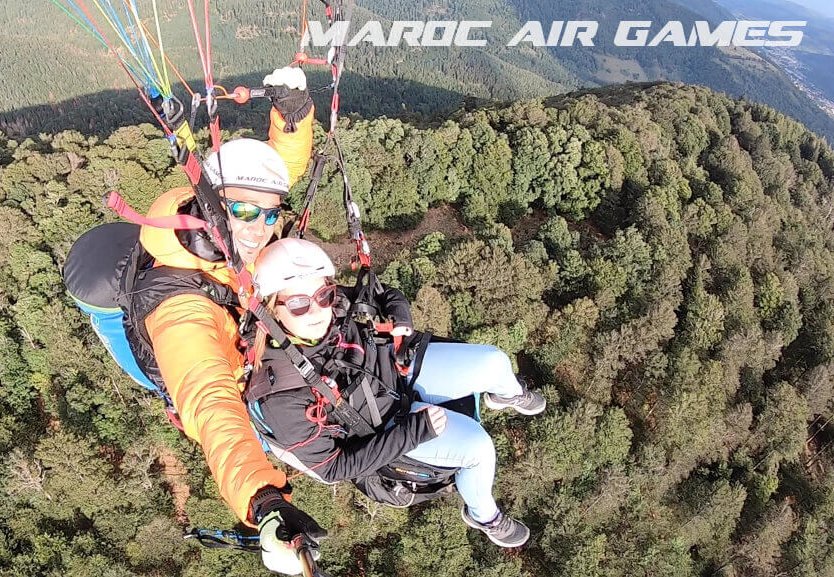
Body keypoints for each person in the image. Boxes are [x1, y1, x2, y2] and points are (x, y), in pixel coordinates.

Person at [128, 67, 326, 572]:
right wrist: (263, 502)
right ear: (210, 207)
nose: (261, 228)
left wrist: (293, 118)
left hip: (235, 319)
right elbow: (212, 401)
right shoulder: (180, 308)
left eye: (271, 214)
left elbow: (274, 177)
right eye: (245, 212)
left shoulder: (225, 224)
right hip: (209, 362)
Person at [246, 238, 547, 548]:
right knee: (479, 450)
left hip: (395, 372)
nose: (317, 310)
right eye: (298, 304)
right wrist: (414, 433)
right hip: (385, 427)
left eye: (323, 295)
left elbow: (384, 294)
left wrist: (400, 317)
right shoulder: (281, 397)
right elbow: (333, 469)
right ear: (271, 310)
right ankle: (485, 516)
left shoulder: (333, 305)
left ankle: (507, 395)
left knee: (495, 363)